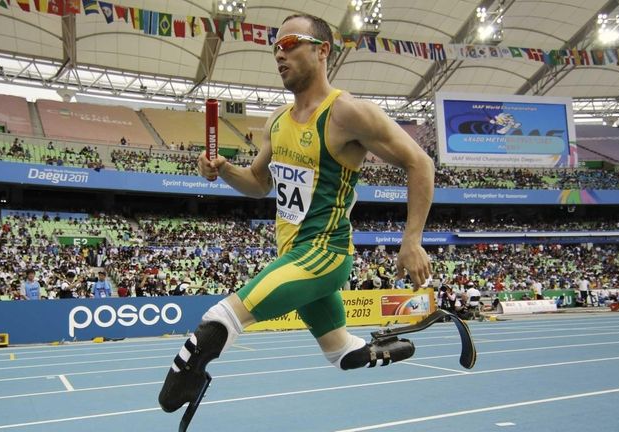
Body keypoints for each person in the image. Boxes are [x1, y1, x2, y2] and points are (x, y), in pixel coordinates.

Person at [159, 13, 434, 413]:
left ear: (322, 51)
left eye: (288, 44)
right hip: (291, 255)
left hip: (323, 254)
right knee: (342, 352)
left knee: (219, 319)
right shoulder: (277, 121)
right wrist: (223, 170)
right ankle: (390, 346)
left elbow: (420, 163)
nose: (278, 54)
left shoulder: (349, 113)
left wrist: (411, 240)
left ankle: (179, 388)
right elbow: (258, 182)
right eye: (275, 47)